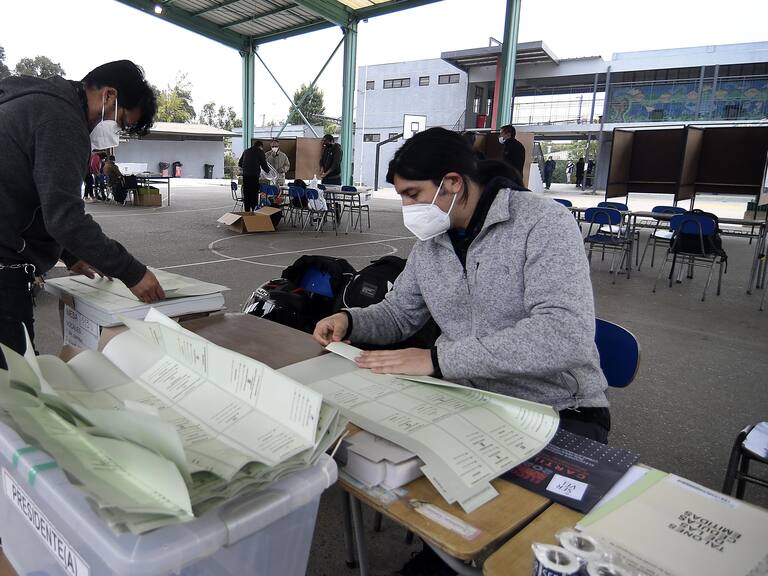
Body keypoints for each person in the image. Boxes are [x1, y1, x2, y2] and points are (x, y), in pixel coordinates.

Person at [313, 127, 609, 576]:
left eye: (413, 194)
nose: (408, 209)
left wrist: (438, 360)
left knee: (512, 540)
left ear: (452, 182)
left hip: (556, 408)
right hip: (468, 397)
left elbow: (564, 333)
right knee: (423, 496)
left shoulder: (542, 223)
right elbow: (399, 313)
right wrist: (350, 320)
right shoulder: (432, 244)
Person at [0, 59, 165, 356]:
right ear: (109, 96)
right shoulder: (62, 121)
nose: (117, 132)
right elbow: (65, 218)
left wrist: (70, 253)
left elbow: (38, 197)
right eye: (121, 122)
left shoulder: (37, 101)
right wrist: (132, 273)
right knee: (16, 373)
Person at [238, 140, 271, 211]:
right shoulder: (260, 151)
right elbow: (264, 164)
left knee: (247, 194)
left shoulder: (246, 151)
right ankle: (254, 211)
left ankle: (247, 212)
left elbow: (240, 163)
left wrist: (246, 167)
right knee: (254, 194)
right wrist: (268, 171)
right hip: (254, 176)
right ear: (261, 146)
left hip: (245, 176)